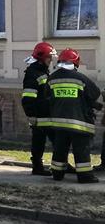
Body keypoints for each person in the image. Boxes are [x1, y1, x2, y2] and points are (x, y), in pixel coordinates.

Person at [39, 48, 101, 183]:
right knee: (81, 149)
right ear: (76, 62)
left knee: (60, 149)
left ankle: (57, 173)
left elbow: (47, 97)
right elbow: (95, 93)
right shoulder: (81, 78)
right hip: (78, 123)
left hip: (58, 123)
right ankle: (85, 176)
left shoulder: (52, 78)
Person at [21, 42, 56, 176]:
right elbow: (28, 96)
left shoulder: (41, 71)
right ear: (41, 58)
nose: (51, 60)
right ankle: (38, 167)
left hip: (47, 114)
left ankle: (60, 164)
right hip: (39, 115)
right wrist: (31, 115)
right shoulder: (32, 74)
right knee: (39, 142)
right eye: (49, 57)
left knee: (55, 140)